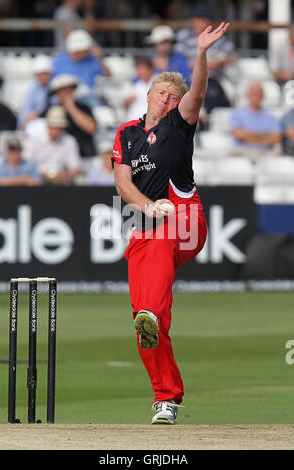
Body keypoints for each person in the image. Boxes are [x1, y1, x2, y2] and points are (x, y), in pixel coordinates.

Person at [112, 21, 230, 425]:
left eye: (173, 96)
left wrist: (200, 54)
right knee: (144, 324)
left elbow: (197, 91)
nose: (167, 99)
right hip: (145, 227)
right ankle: (166, 399)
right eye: (161, 93)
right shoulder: (127, 134)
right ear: (147, 95)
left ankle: (153, 313)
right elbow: (122, 182)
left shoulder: (179, 124)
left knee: (159, 268)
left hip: (186, 221)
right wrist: (147, 207)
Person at [175, 3, 235, 78]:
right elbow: (176, 57)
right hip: (190, 77)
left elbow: (232, 56)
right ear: (193, 20)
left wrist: (219, 63)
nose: (204, 22)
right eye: (201, 19)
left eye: (207, 19)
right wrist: (199, 65)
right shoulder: (183, 36)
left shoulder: (217, 36)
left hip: (215, 77)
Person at [24, 106, 81, 185]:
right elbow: (27, 166)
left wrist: (65, 175)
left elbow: (76, 168)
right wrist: (43, 175)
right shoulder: (35, 140)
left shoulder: (69, 141)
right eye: (53, 127)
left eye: (59, 127)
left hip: (63, 182)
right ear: (48, 126)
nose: (56, 131)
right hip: (38, 181)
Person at [52, 28, 110, 107]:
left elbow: (107, 75)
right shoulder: (59, 61)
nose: (87, 52)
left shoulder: (91, 60)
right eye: (85, 50)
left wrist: (99, 58)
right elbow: (54, 85)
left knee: (97, 107)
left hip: (87, 99)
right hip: (63, 99)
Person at [47, 74, 97, 157]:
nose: (65, 93)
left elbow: (91, 128)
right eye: (61, 90)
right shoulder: (51, 111)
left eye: (69, 89)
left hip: (84, 155)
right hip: (59, 157)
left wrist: (72, 108)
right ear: (56, 93)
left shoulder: (84, 108)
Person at [230, 82, 282, 159]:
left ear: (263, 96)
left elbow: (277, 138)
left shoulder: (271, 117)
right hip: (244, 152)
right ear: (247, 95)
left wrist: (248, 137)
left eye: (258, 93)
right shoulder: (237, 114)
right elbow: (238, 134)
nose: (255, 95)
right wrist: (264, 134)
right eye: (253, 92)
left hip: (265, 153)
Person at [17, 55, 52, 130]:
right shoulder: (31, 90)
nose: (43, 76)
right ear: (36, 75)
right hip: (36, 122)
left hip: (52, 121)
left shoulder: (54, 87)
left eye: (45, 73)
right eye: (41, 74)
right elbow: (26, 111)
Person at [123, 57, 155, 122]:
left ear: (151, 70)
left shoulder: (158, 83)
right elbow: (125, 105)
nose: (140, 72)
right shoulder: (135, 86)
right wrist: (128, 101)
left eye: (143, 69)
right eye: (139, 69)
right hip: (133, 123)